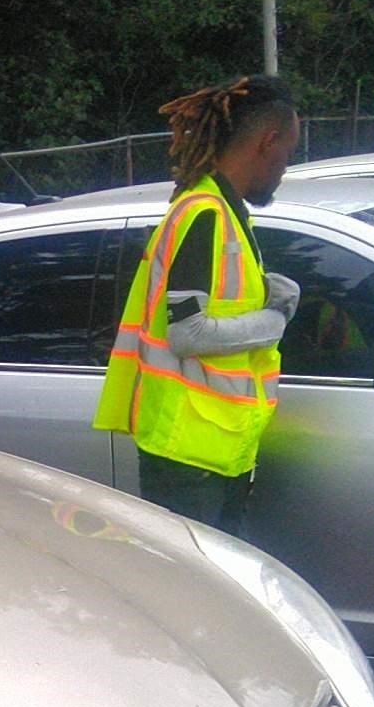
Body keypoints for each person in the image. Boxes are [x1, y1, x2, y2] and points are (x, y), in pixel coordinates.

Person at [93, 74, 302, 534]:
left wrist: (269, 291)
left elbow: (221, 300)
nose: (286, 167)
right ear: (267, 142)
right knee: (192, 593)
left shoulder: (222, 211)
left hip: (209, 449)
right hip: (189, 455)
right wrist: (274, 319)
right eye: (288, 151)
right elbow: (187, 333)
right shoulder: (204, 214)